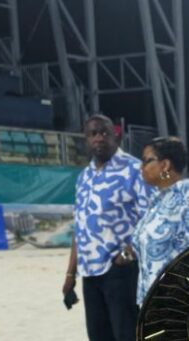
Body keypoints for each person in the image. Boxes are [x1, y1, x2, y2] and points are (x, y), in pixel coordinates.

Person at [62, 114, 154, 341]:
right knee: (98, 336)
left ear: (115, 136)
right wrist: (71, 273)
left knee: (126, 335)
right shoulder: (84, 177)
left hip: (121, 272)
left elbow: (153, 218)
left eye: (104, 132)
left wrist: (128, 254)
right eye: (93, 134)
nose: (99, 138)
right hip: (89, 273)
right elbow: (80, 227)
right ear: (86, 139)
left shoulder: (135, 170)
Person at [129, 137, 189, 306]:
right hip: (152, 303)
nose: (141, 167)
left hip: (179, 304)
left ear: (165, 165)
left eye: (147, 161)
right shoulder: (158, 200)